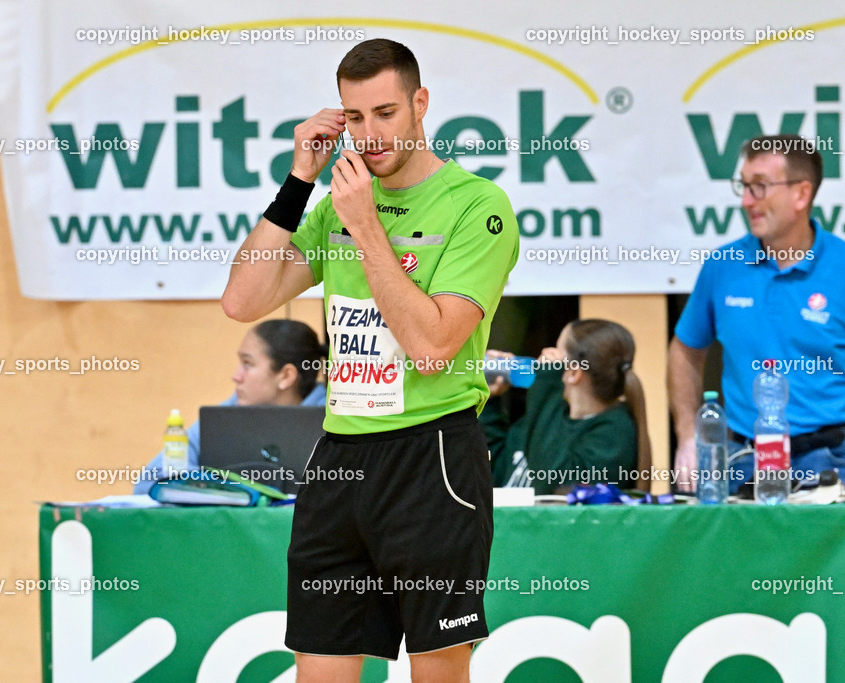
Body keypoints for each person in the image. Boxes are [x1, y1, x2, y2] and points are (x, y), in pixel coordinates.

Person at [221, 38, 518, 682]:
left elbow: (434, 346)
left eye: (385, 113)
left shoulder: (477, 206)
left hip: (431, 453)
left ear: (420, 104)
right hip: (339, 456)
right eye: (355, 118)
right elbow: (242, 300)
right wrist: (299, 181)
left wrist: (367, 230)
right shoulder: (335, 207)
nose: (371, 134)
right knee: (321, 663)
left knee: (437, 669)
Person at [669, 134, 845, 494]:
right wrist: (688, 436)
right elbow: (684, 350)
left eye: (760, 187)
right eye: (744, 187)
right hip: (743, 462)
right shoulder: (723, 266)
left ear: (801, 194)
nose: (747, 201)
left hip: (833, 461)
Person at [133, 319, 324, 495]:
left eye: (247, 364)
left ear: (286, 376)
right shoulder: (230, 411)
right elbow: (149, 482)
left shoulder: (334, 420)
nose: (236, 376)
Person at [482, 320, 648, 494]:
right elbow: (494, 470)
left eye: (555, 351)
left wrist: (546, 381)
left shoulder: (612, 434)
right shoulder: (551, 416)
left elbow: (551, 484)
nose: (544, 353)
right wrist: (489, 402)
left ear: (574, 373)